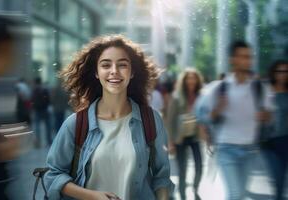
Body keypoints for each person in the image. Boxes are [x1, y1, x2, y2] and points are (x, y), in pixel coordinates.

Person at [44, 35, 174, 200]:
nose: (114, 71)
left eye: (122, 65)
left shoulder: (150, 120)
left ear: (132, 72)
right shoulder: (76, 124)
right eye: (106, 65)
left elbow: (161, 177)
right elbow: (53, 175)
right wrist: (92, 196)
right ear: (96, 73)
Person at [195, 41, 273, 200]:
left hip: (250, 150)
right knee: (235, 194)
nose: (248, 60)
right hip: (226, 148)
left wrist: (265, 116)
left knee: (241, 194)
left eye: (249, 57)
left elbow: (270, 116)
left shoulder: (259, 88)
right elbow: (203, 117)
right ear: (233, 59)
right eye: (243, 56)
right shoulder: (220, 88)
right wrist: (217, 110)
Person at [0, 15, 22, 200]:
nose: (13, 59)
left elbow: (9, 130)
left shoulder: (1, 88)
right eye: (11, 52)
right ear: (2, 48)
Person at [167, 68, 203, 200]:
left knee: (199, 165)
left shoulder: (201, 96)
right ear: (184, 80)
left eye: (193, 77)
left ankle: (195, 188)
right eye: (188, 78)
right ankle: (182, 195)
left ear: (197, 80)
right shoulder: (176, 97)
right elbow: (170, 121)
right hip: (180, 138)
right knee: (182, 169)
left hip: (195, 136)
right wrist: (170, 142)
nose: (191, 80)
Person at [264, 60, 288, 200]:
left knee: (281, 182)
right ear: (274, 73)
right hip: (269, 143)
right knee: (277, 178)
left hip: (285, 140)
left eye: (286, 71)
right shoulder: (265, 90)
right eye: (280, 71)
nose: (283, 75)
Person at [31, 77, 52, 147]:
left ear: (35, 82)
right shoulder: (44, 89)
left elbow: (32, 100)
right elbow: (48, 99)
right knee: (48, 126)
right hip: (45, 109)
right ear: (40, 82)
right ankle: (49, 141)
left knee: (37, 127)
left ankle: (38, 142)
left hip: (37, 110)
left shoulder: (34, 90)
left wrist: (33, 108)